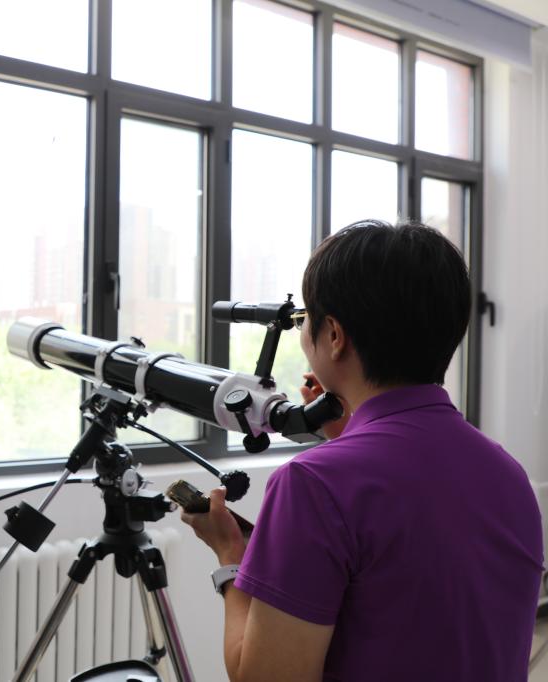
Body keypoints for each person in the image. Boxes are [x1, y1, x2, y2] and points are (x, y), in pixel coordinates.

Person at [183, 220, 543, 681]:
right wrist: (346, 438)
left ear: (334, 335)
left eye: (305, 320)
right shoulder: (508, 474)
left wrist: (230, 558)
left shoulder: (312, 484)